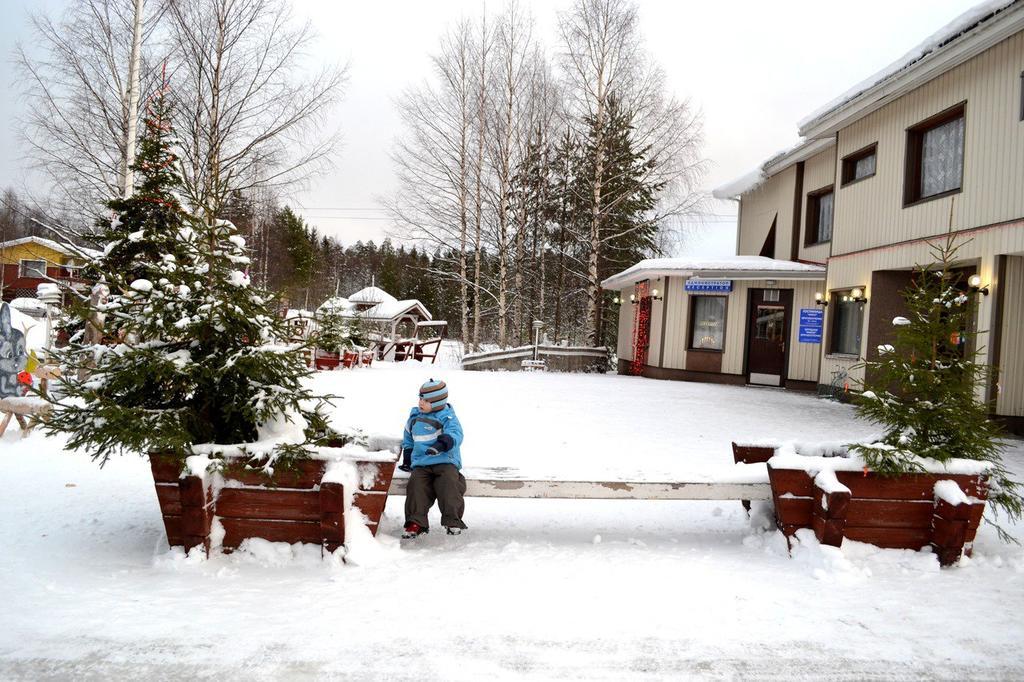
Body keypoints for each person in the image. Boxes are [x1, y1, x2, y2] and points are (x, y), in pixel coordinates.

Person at [399, 378, 467, 539]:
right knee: (416, 487)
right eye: (420, 398)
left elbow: (455, 434)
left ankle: (452, 520)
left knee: (449, 485)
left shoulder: (447, 417)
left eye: (426, 400)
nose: (421, 402)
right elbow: (408, 439)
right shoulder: (414, 417)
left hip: (445, 461)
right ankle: (416, 522)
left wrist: (440, 445)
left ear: (437, 403)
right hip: (422, 464)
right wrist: (408, 459)